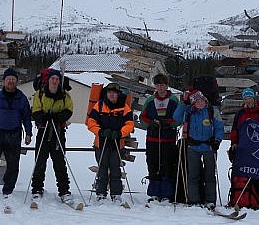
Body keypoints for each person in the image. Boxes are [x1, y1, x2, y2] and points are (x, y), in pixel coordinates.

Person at [0, 68, 32, 203]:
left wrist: (28, 133)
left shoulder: (21, 98)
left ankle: (8, 190)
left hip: (14, 134)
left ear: (16, 82)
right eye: (8, 79)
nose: (11, 81)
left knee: (13, 164)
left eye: (13, 80)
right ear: (4, 81)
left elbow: (26, 117)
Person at [173, 89, 224, 209]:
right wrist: (183, 104)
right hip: (193, 146)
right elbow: (176, 118)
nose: (200, 103)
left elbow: (219, 127)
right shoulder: (189, 111)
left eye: (201, 100)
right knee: (193, 175)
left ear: (204, 99)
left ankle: (210, 200)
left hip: (209, 146)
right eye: (196, 101)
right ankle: (193, 200)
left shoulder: (212, 110)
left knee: (210, 175)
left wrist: (217, 140)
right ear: (193, 103)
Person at [86, 82, 134, 204]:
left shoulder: (124, 107)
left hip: (117, 143)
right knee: (102, 169)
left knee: (115, 169)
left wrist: (120, 133)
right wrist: (101, 131)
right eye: (109, 92)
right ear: (106, 93)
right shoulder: (99, 105)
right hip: (101, 142)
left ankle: (116, 194)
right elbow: (91, 122)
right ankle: (101, 194)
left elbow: (129, 124)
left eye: (114, 92)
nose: (112, 94)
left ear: (118, 94)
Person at [31, 69, 74, 204]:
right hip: (43, 131)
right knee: (40, 162)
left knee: (60, 163)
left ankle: (64, 191)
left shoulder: (65, 95)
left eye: (57, 79)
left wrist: (57, 118)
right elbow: (35, 111)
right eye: (52, 79)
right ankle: (37, 189)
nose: (54, 82)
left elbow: (69, 109)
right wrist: (44, 118)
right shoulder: (39, 94)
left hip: (58, 132)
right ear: (48, 81)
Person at [139, 73, 180, 202]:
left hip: (168, 139)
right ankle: (154, 193)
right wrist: (150, 123)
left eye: (162, 84)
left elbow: (179, 118)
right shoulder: (150, 100)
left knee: (167, 165)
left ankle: (167, 193)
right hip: (152, 139)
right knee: (153, 165)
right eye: (158, 85)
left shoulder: (173, 100)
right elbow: (142, 117)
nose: (160, 87)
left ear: (167, 86)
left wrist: (169, 123)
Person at [228, 87, 259, 209]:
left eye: (250, 98)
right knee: (241, 173)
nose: (248, 100)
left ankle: (257, 198)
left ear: (254, 99)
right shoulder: (240, 113)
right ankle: (239, 197)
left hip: (257, 149)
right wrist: (234, 143)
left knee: (258, 174)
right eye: (245, 98)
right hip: (242, 148)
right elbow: (235, 129)